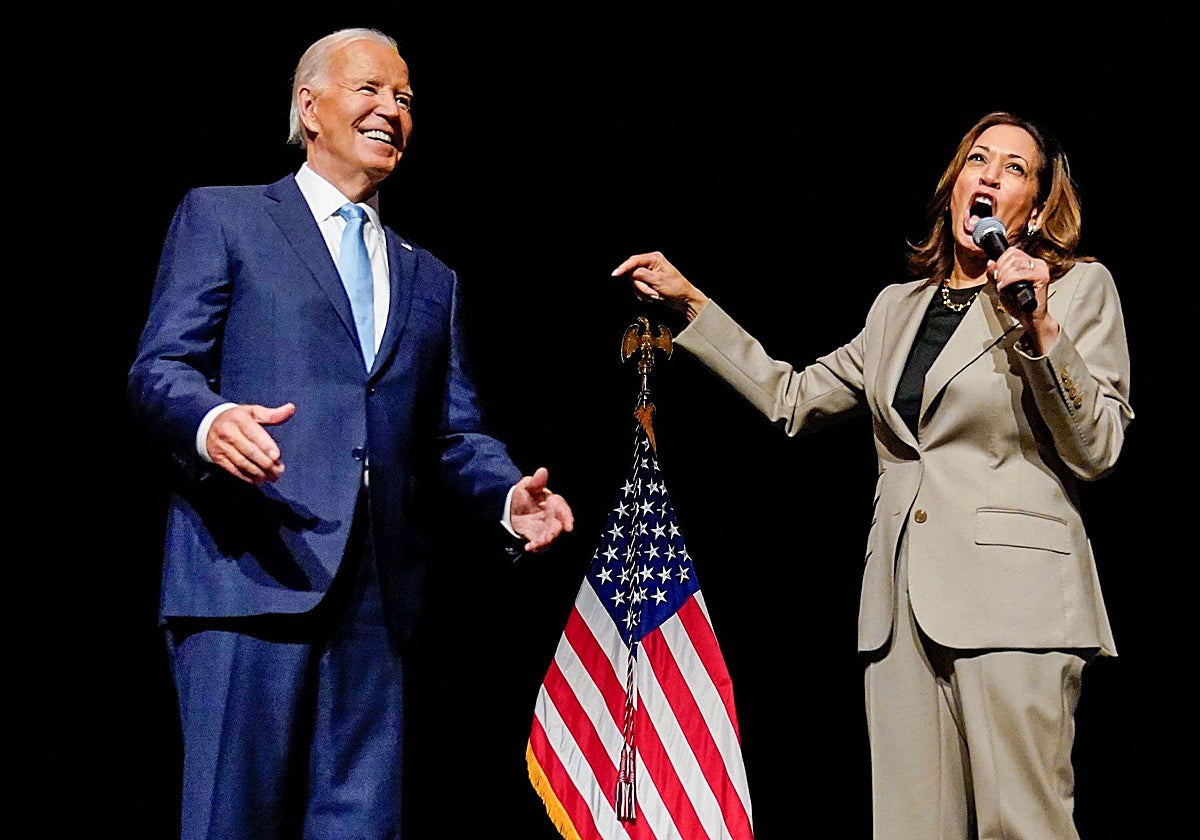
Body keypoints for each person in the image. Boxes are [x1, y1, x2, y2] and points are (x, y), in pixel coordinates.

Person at [611, 111, 1132, 839]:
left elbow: (1098, 445)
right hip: (899, 611)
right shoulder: (897, 310)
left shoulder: (1077, 290)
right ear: (955, 186)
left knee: (1026, 826)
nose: (989, 175)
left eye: (1015, 169)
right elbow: (792, 399)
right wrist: (692, 305)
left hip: (1017, 603)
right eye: (978, 159)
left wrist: (1039, 326)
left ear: (1038, 208)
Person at [127, 27, 574, 840]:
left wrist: (508, 495)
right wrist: (213, 420)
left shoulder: (431, 277)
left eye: (405, 98)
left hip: (378, 602)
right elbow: (160, 370)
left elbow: (453, 434)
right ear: (310, 107)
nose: (391, 110)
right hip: (247, 578)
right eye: (370, 89)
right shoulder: (224, 217)